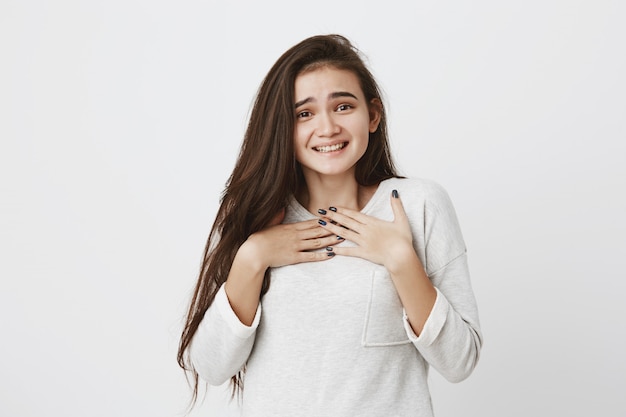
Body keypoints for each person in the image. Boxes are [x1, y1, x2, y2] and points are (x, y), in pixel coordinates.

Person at [178, 34, 482, 416]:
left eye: (342, 106)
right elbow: (210, 366)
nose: (327, 127)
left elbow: (460, 361)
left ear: (372, 115)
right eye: (304, 113)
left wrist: (400, 259)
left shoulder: (416, 204)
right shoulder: (253, 214)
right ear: (282, 128)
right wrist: (252, 257)